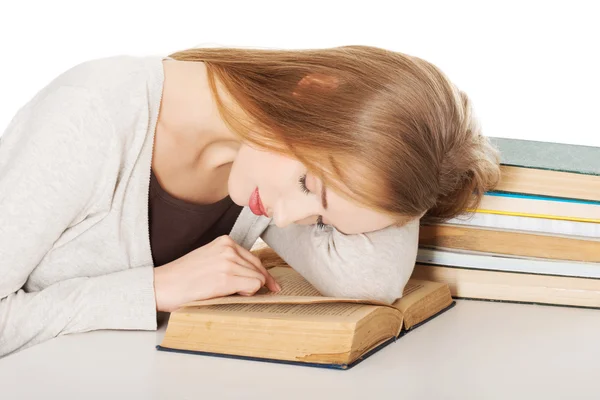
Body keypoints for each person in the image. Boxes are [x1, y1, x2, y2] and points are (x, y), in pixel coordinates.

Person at [0, 45, 500, 357]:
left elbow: (370, 279)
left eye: (322, 219)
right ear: (312, 94)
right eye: (310, 186)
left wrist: (418, 160)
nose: (287, 218)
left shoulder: (261, 160)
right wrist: (150, 290)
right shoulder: (93, 116)